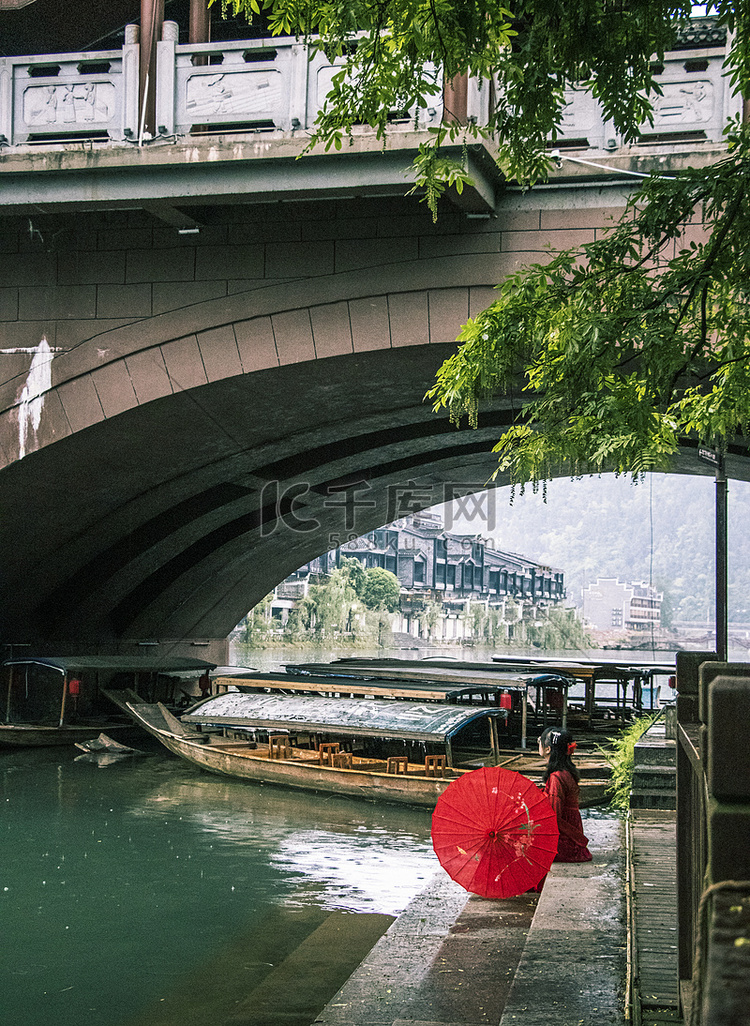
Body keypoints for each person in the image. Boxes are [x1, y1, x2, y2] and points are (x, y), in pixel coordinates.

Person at [538, 726, 592, 863]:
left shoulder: (556, 777)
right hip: (571, 835)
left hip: (566, 841)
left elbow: (553, 815)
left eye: (540, 740)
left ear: (548, 749)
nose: (538, 741)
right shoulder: (566, 772)